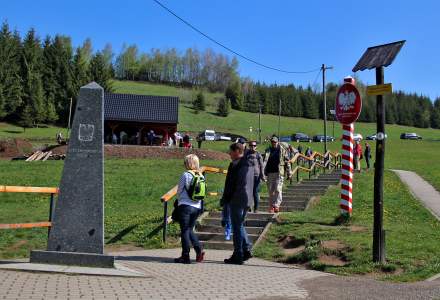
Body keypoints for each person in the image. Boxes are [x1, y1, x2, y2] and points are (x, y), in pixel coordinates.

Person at [221, 142, 254, 265]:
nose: (229, 153)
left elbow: (238, 184)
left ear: (237, 151)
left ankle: (238, 254)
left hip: (238, 199)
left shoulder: (241, 165)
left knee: (236, 226)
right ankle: (246, 249)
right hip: (245, 199)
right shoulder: (246, 163)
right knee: (239, 225)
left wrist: (227, 198)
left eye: (230, 151)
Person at [174, 154, 205, 264]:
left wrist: (179, 200)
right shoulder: (201, 175)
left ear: (188, 163)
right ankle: (199, 249)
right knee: (189, 229)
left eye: (185, 162)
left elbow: (179, 190)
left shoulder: (185, 174)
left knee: (184, 231)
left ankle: (185, 256)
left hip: (185, 206)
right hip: (196, 207)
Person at [263, 136, 292, 213]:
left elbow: (287, 161)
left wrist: (289, 173)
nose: (273, 143)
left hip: (279, 173)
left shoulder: (282, 150)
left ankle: (277, 205)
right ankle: (271, 206)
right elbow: (264, 162)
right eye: (272, 142)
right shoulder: (268, 150)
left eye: (275, 142)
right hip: (269, 173)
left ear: (278, 142)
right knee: (270, 191)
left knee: (278, 189)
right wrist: (262, 173)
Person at [248, 141, 265, 213]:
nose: (253, 147)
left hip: (256, 175)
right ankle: (248, 206)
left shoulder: (258, 154)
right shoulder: (246, 154)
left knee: (254, 191)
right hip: (248, 175)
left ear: (256, 146)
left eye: (254, 146)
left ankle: (256, 208)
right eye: (251, 145)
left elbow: (262, 165)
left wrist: (262, 175)